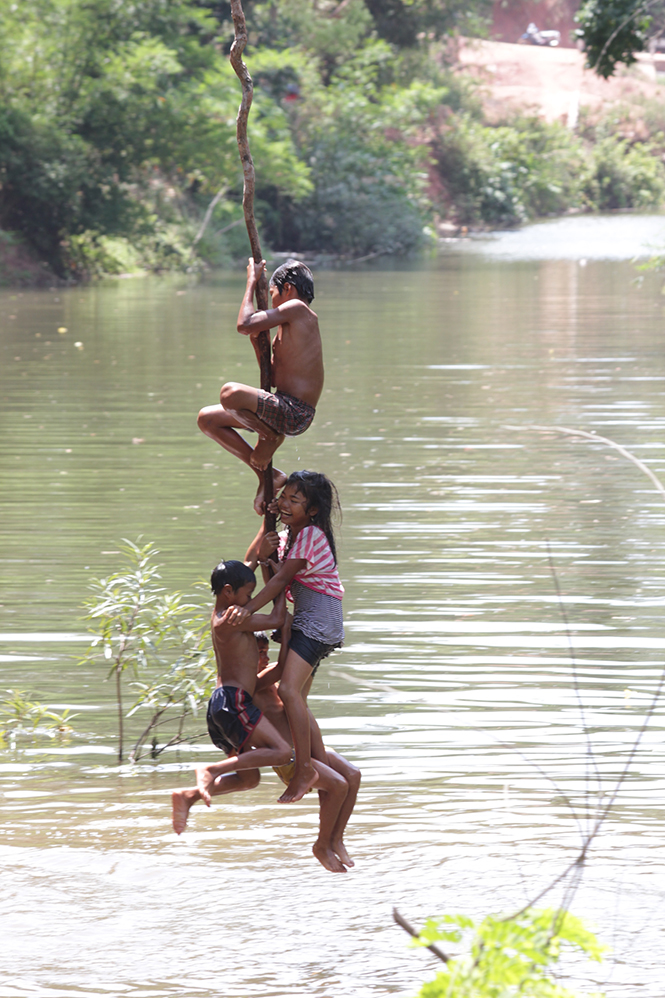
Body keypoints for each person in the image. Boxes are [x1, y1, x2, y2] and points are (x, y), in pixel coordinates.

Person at [171, 629, 360, 872]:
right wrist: (294, 638)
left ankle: (336, 838)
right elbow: (283, 666)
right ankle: (322, 844)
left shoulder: (277, 685)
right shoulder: (254, 683)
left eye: (265, 652)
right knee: (337, 785)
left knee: (352, 775)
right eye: (259, 653)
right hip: (291, 756)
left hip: (305, 747)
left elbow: (293, 678)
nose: (264, 658)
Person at [222, 470, 344, 805]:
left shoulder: (310, 536)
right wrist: (267, 544)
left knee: (287, 691)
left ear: (313, 510)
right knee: (295, 700)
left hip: (317, 621)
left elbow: (279, 584)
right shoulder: (293, 534)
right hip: (311, 619)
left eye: (295, 500)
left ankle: (305, 767)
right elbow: (274, 575)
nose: (286, 504)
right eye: (285, 496)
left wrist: (248, 611)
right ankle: (316, 762)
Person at [197, 257, 323, 515]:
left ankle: (268, 435)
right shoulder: (286, 326)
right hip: (279, 408)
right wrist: (259, 343)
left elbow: (244, 324)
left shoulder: (298, 309)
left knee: (229, 393)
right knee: (207, 419)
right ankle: (268, 472)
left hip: (294, 411)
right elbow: (274, 378)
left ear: (287, 289)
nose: (272, 298)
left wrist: (252, 281)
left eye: (273, 292)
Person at [177, 558, 292, 814]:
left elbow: (279, 667)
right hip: (233, 701)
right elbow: (277, 617)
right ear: (228, 591)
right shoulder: (231, 618)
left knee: (248, 779)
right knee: (282, 752)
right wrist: (281, 582)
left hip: (221, 704)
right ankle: (211, 770)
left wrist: (264, 543)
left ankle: (188, 796)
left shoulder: (220, 615)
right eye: (248, 594)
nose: (250, 601)